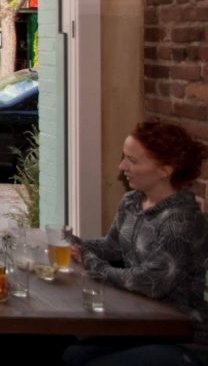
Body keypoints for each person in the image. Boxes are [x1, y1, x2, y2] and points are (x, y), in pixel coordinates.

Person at [64, 121, 208, 366]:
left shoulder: (180, 222)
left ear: (165, 169)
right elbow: (112, 246)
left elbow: (149, 282)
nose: (122, 167)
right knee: (71, 355)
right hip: (141, 323)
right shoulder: (132, 201)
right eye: (124, 157)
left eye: (132, 160)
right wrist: (69, 241)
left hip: (182, 335)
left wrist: (90, 262)